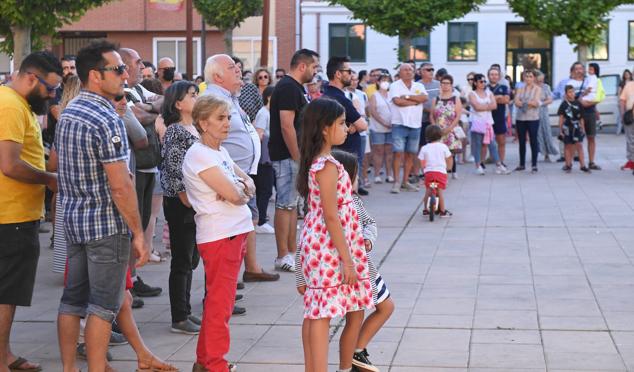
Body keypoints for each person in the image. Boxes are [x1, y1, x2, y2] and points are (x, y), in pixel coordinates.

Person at [56, 40, 149, 372]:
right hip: (105, 226)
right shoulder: (105, 117)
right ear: (95, 76)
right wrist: (138, 232)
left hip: (74, 221)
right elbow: (121, 185)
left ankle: (69, 368)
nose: (124, 74)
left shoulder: (71, 111)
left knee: (72, 301)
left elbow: (58, 164)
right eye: (118, 68)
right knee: (103, 306)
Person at [295, 98, 374, 372]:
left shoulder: (324, 163)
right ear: (325, 128)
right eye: (341, 123)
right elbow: (331, 215)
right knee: (321, 312)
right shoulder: (327, 166)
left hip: (324, 245)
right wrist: (347, 260)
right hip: (327, 249)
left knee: (317, 310)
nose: (347, 127)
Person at [0, 50, 62, 372]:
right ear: (30, 78)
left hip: (16, 213)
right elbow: (9, 164)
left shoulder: (14, 102)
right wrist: (49, 179)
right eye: (49, 88)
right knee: (6, 292)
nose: (52, 95)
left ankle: (5, 354)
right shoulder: (10, 105)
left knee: (8, 292)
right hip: (10, 216)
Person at [183, 95, 255, 372]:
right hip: (221, 236)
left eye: (228, 117)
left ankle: (205, 361)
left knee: (219, 302)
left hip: (233, 233)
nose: (227, 124)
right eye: (220, 118)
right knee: (219, 305)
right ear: (203, 123)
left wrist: (239, 189)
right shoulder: (200, 154)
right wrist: (237, 190)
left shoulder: (219, 152)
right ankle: (215, 364)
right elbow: (235, 194)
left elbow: (247, 183)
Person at [203, 54, 279, 285]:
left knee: (249, 220)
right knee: (231, 231)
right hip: (225, 177)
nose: (238, 70)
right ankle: (226, 282)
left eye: (238, 67)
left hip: (243, 174)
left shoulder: (231, 97)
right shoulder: (212, 98)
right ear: (217, 76)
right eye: (231, 67)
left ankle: (249, 269)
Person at [329, 151, 394, 372]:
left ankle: (357, 353)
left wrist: (368, 239)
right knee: (357, 318)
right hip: (353, 271)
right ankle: (350, 361)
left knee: (383, 308)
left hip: (365, 268)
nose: (359, 180)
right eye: (356, 176)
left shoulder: (355, 201)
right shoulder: (332, 206)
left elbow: (370, 223)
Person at [269, 48, 320, 272]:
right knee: (284, 204)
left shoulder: (296, 88)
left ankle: (290, 252)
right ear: (302, 66)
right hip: (287, 156)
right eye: (314, 67)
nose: (315, 71)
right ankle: (282, 255)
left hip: (294, 156)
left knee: (292, 206)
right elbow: (286, 125)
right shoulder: (289, 87)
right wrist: (298, 157)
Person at [119, 48, 164, 299]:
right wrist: (151, 111)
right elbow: (132, 116)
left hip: (149, 165)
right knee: (130, 227)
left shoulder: (138, 90)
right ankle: (126, 283)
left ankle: (133, 278)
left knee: (143, 220)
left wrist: (147, 107)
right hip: (134, 167)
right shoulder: (121, 93)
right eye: (137, 62)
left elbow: (165, 101)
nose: (142, 66)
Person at [160, 81, 203, 335]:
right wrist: (187, 199)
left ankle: (185, 310)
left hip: (193, 203)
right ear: (178, 103)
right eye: (191, 95)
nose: (196, 98)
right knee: (182, 260)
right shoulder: (176, 131)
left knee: (191, 258)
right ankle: (179, 316)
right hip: (181, 204)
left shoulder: (193, 128)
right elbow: (174, 170)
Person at [322, 57, 369, 194]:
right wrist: (353, 120)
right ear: (338, 74)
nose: (352, 74)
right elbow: (362, 125)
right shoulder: (341, 99)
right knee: (348, 194)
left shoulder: (326, 95)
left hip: (337, 153)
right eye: (348, 71)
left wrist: (350, 124)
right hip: (345, 155)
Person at [389, 63, 427, 193]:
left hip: (415, 124)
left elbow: (424, 97)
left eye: (411, 69)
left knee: (411, 154)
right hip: (399, 123)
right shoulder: (394, 85)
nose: (408, 72)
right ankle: (396, 182)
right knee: (398, 153)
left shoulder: (419, 85)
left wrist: (406, 97)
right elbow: (397, 102)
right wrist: (416, 102)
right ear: (400, 72)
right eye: (405, 69)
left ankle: (405, 181)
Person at [468, 74, 509, 175]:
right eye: (481, 81)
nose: (483, 83)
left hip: (487, 123)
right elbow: (476, 107)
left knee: (492, 144)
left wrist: (482, 106)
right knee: (477, 145)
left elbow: (494, 106)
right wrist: (487, 106)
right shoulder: (472, 94)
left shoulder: (489, 92)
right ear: (475, 83)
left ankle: (499, 165)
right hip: (476, 122)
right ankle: (478, 166)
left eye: (484, 81)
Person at [253, 86, 276, 234]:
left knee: (267, 190)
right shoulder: (264, 113)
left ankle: (262, 219)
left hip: (269, 158)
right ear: (269, 97)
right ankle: (260, 221)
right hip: (264, 160)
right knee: (264, 190)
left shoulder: (270, 113)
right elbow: (258, 135)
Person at [430, 74, 462, 179]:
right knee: (440, 154)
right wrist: (435, 128)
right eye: (443, 83)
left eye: (447, 83)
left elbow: (458, 115)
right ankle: (442, 173)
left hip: (451, 129)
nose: (445, 85)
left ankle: (450, 172)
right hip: (438, 130)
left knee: (450, 153)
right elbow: (432, 115)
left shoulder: (455, 99)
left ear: (451, 85)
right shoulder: (436, 99)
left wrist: (450, 128)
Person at [344, 70, 371, 192]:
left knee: (360, 158)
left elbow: (364, 112)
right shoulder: (344, 95)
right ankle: (348, 185)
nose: (354, 82)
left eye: (356, 80)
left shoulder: (360, 94)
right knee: (348, 159)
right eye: (352, 79)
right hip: (349, 130)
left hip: (362, 130)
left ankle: (358, 184)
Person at [419, 125, 454, 217]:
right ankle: (442, 211)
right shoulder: (443, 147)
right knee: (440, 191)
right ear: (440, 135)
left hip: (429, 173)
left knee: (428, 190)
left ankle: (425, 210)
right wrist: (449, 168)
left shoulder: (424, 148)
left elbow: (422, 161)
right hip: (440, 173)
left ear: (426, 136)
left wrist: (424, 170)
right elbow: (449, 158)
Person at [514, 69, 543, 173]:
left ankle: (534, 164)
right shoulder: (520, 88)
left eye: (530, 76)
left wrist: (523, 103)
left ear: (534, 78)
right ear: (523, 78)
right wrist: (526, 104)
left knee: (533, 140)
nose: (528, 78)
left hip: (533, 118)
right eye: (526, 76)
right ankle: (522, 164)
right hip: (520, 118)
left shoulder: (537, 89)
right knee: (521, 141)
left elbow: (535, 102)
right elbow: (516, 101)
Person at [368, 73, 394, 184]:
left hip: (391, 127)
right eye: (383, 80)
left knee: (389, 151)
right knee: (378, 151)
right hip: (378, 127)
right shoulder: (374, 95)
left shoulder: (392, 95)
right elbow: (373, 111)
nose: (385, 83)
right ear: (378, 82)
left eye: (388, 80)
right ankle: (377, 175)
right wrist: (383, 122)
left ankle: (389, 174)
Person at [558, 85, 590, 173]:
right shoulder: (564, 104)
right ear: (566, 93)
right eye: (569, 92)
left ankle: (582, 165)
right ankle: (568, 164)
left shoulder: (578, 103)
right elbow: (561, 118)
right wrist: (560, 130)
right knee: (568, 146)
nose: (572, 94)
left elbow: (581, 118)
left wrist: (583, 128)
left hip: (577, 127)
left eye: (573, 92)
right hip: (567, 127)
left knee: (579, 145)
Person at [487, 67, 510, 165]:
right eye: (492, 74)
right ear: (488, 76)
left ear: (499, 76)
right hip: (487, 118)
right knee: (486, 142)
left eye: (496, 74)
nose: (494, 76)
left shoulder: (504, 87)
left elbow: (506, 100)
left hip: (500, 118)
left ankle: (501, 161)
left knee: (501, 141)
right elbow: (484, 100)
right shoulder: (484, 88)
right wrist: (498, 97)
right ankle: (486, 161)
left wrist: (491, 99)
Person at [535, 70, 559, 162]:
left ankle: (547, 153)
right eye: (539, 80)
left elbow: (550, 99)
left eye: (542, 80)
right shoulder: (531, 87)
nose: (541, 82)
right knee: (536, 134)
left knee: (546, 132)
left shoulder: (546, 87)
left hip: (543, 111)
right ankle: (537, 152)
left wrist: (541, 103)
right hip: (533, 113)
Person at [619, 75, 634, 174]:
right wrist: (622, 114)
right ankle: (631, 160)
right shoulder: (628, 85)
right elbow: (622, 100)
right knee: (630, 139)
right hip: (630, 116)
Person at [617, 69, 633, 135]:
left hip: (630, 105)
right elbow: (619, 93)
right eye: (625, 74)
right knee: (622, 117)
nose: (627, 75)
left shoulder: (631, 82)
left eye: (628, 74)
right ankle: (619, 130)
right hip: (625, 104)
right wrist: (620, 101)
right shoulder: (623, 83)